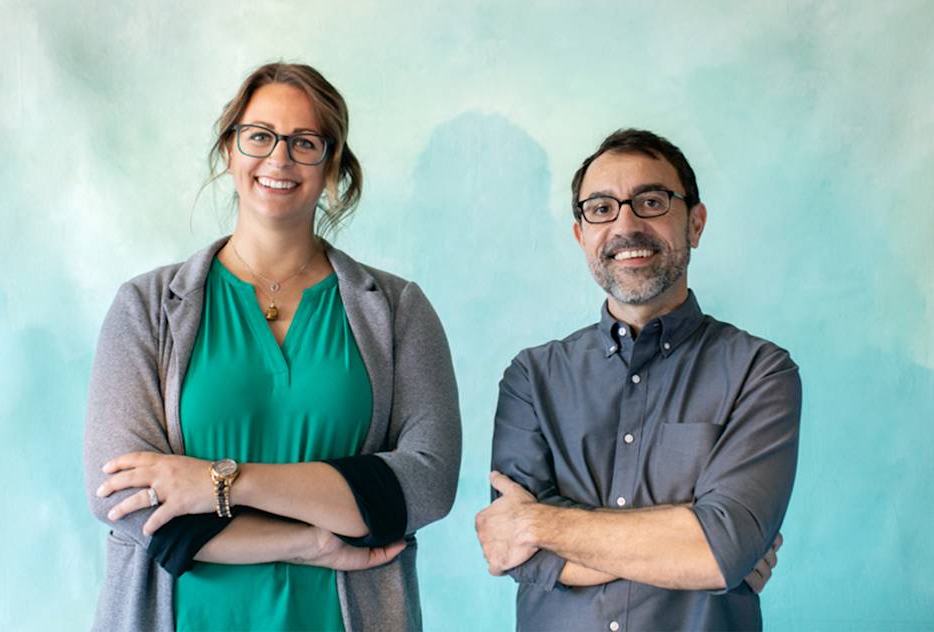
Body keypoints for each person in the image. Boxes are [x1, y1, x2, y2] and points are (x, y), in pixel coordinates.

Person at [84, 62, 461, 632]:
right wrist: (308, 542)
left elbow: (426, 483)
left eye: (305, 142)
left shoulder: (398, 310)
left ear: (332, 164)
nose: (279, 159)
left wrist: (217, 481)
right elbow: (124, 499)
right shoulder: (145, 308)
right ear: (229, 150)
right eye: (259, 136)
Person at [475, 129, 800, 631]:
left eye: (650, 201)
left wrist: (539, 522)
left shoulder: (760, 372)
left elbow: (720, 552)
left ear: (695, 222)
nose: (626, 224)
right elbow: (516, 553)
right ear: (581, 234)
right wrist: (689, 551)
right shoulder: (531, 378)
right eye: (601, 208)